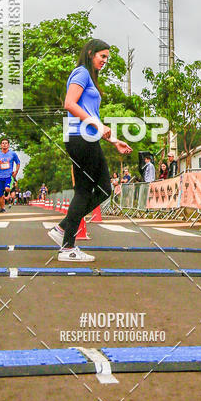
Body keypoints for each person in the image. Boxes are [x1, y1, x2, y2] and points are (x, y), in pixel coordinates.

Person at [47, 39, 132, 261]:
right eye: (102, 56)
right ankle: (67, 247)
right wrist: (97, 125)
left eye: (107, 58)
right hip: (80, 137)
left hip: (87, 137)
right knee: (87, 190)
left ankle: (63, 229)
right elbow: (70, 104)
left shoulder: (90, 77)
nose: (105, 61)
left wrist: (114, 140)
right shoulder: (81, 73)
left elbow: (91, 114)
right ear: (91, 53)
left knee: (104, 188)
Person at [0, 139, 21, 214]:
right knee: (0, 195)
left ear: (8, 145)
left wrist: (16, 172)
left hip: (8, 176)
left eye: (6, 143)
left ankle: (8, 195)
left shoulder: (12, 154)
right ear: (1, 145)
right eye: (3, 143)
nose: (4, 144)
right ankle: (2, 208)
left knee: (7, 188)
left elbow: (18, 163)